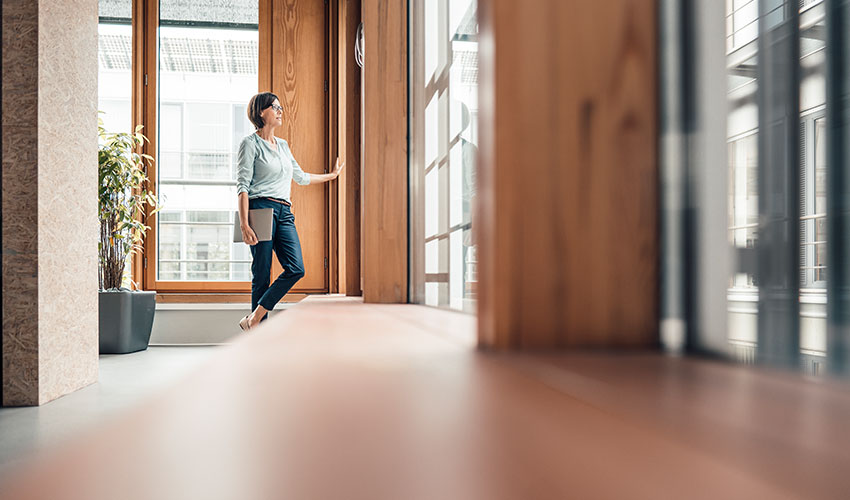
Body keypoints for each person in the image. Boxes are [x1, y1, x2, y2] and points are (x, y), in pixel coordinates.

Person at [236, 91, 343, 330]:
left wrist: (332, 176)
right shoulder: (250, 144)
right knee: (261, 273)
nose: (280, 111)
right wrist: (244, 224)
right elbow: (242, 185)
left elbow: (301, 177)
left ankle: (253, 319)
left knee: (296, 268)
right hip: (260, 208)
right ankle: (259, 332)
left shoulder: (282, 146)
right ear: (261, 111)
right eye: (275, 107)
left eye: (281, 107)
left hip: (284, 211)